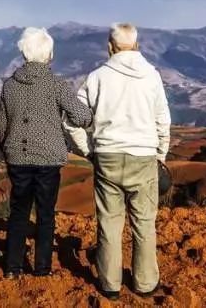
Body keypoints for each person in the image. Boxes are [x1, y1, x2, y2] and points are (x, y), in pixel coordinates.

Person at [65, 23, 170, 300]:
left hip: (107, 157)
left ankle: (109, 285)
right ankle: (145, 283)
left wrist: (88, 150)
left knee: (110, 223)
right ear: (136, 45)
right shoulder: (152, 77)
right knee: (144, 223)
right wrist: (160, 156)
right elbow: (163, 121)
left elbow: (72, 120)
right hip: (144, 157)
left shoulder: (97, 77)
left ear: (110, 47)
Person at [0, 27, 92, 279]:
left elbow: (1, 126)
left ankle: (12, 268)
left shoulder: (9, 86)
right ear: (49, 54)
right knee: (46, 214)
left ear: (23, 53)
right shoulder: (57, 85)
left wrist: (9, 151)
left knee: (18, 212)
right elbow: (82, 116)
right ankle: (42, 269)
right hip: (49, 159)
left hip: (17, 157)